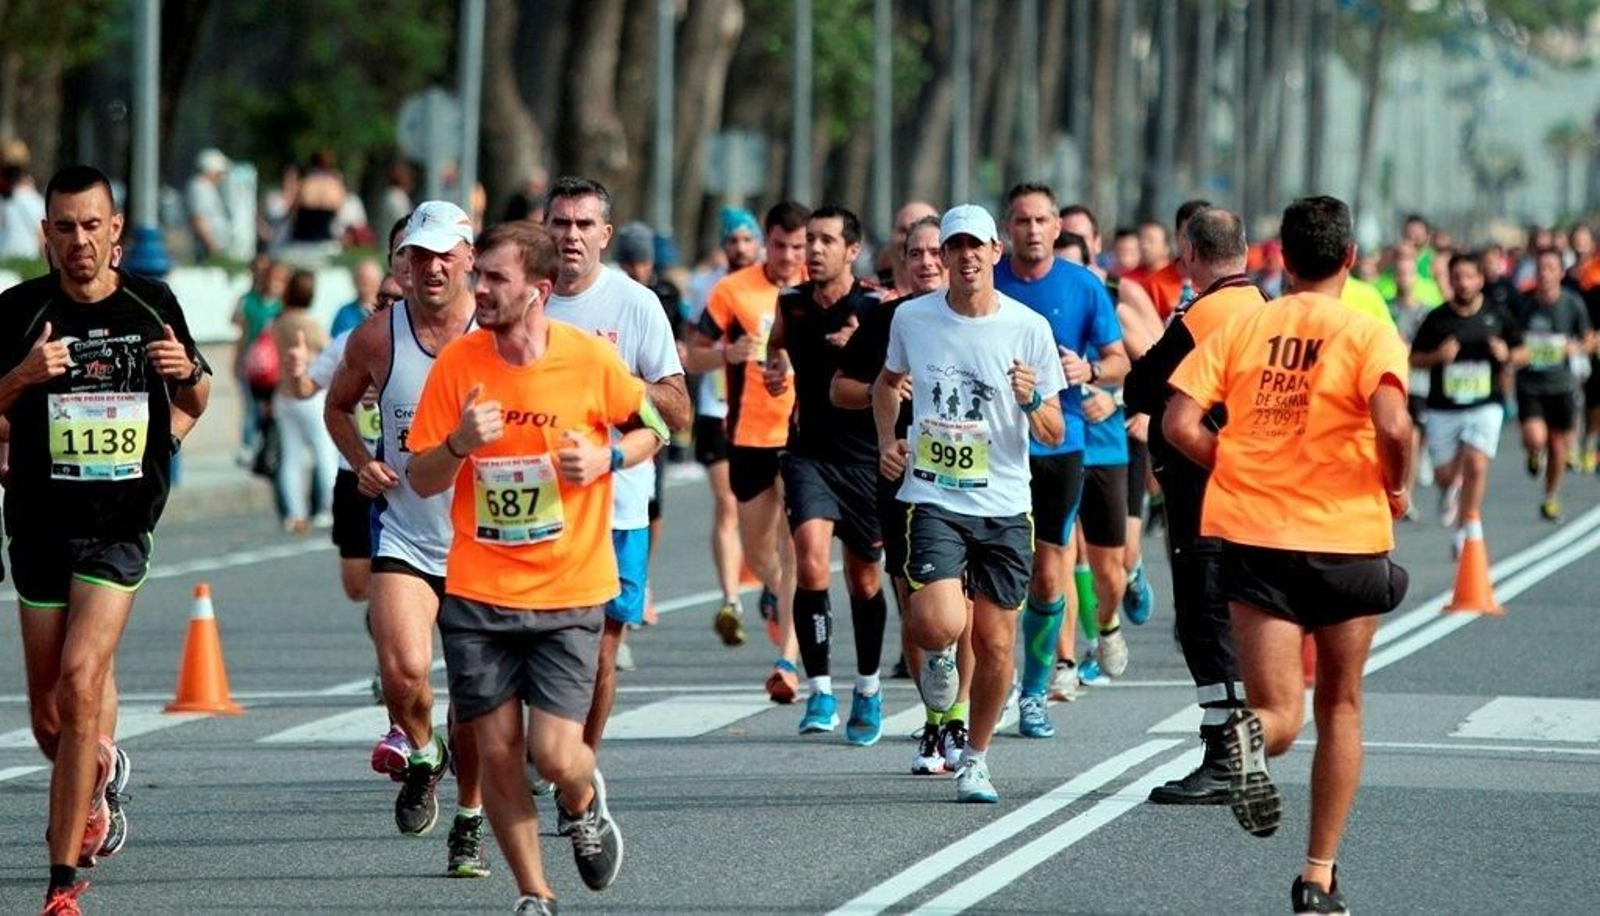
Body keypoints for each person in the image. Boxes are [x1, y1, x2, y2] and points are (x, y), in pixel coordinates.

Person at [1163, 195, 1413, 915]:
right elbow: (1393, 423)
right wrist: (1394, 484)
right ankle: (1316, 877)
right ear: (1349, 260)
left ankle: (1250, 736)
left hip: (1256, 536)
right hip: (1346, 540)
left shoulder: (1247, 325)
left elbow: (1181, 422)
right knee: (1341, 705)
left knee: (1279, 712)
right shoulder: (1368, 332)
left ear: (1281, 257)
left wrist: (1236, 466)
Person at [408, 219, 661, 913]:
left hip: (569, 587)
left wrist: (610, 457)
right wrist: (458, 442)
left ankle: (582, 800)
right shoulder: (458, 365)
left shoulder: (589, 360)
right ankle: (534, 895)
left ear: (538, 291)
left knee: (553, 753)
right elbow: (422, 478)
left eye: (495, 278)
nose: (478, 288)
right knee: (494, 756)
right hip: (478, 591)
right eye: (478, 274)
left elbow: (661, 425)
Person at [0, 165, 211, 914]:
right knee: (50, 723)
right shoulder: (19, 311)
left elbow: (197, 389)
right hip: (37, 528)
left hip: (119, 527)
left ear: (115, 230)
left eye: (93, 226)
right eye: (65, 227)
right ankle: (99, 771)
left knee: (82, 680)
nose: (79, 241)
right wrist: (22, 376)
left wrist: (179, 396)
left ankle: (61, 884)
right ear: (47, 234)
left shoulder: (152, 303)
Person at [874, 204, 1067, 803]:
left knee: (997, 643)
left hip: (1006, 502)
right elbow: (886, 385)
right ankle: (937, 659)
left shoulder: (1029, 327)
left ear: (995, 251)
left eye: (975, 246)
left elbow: (1056, 432)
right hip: (932, 493)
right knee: (937, 621)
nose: (965, 257)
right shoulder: (912, 318)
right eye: (953, 247)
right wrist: (888, 441)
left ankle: (976, 759)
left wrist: (1032, 401)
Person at [323, 200, 487, 878]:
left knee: (477, 702)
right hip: (407, 535)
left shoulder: (499, 333)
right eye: (420, 256)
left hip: (487, 547)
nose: (432, 267)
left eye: (445, 254)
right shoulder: (377, 338)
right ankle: (423, 754)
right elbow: (336, 405)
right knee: (404, 673)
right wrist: (364, 462)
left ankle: (471, 820)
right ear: (403, 264)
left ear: (470, 258)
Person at [542, 179, 690, 752]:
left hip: (618, 506)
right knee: (542, 643)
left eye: (583, 225)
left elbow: (675, 407)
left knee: (602, 650)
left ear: (605, 234)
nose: (571, 235)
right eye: (560, 223)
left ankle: (578, 766)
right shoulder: (526, 299)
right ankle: (544, 743)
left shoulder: (635, 303)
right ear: (545, 228)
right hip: (540, 504)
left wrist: (613, 385)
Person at [1125, 206, 1266, 805]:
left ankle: (1227, 761)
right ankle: (1242, 757)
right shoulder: (1263, 306)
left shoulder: (1204, 313)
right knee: (1228, 621)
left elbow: (1142, 387)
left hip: (1206, 491)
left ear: (1190, 255)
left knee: (1206, 621)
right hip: (1250, 489)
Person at [835, 213, 973, 772]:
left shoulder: (983, 317)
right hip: (903, 482)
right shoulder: (890, 318)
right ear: (901, 261)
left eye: (933, 253)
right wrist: (882, 393)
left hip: (969, 483)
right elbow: (839, 390)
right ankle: (933, 717)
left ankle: (954, 721)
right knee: (917, 609)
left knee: (962, 605)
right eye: (914, 254)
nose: (925, 263)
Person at [993, 182, 1127, 740]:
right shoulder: (986, 284)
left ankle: (1036, 692)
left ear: (1056, 228)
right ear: (1007, 230)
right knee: (994, 577)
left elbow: (1120, 359)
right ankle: (996, 688)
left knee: (1049, 576)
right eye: (1021, 220)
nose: (1031, 229)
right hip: (996, 443)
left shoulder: (1083, 287)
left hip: (1060, 442)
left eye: (1041, 220)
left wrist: (1090, 372)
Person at [762, 205, 888, 742]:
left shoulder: (875, 306)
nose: (813, 250)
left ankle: (868, 685)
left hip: (864, 459)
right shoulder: (790, 304)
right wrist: (776, 370)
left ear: (852, 251)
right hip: (807, 453)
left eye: (826, 241)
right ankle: (820, 691)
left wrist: (862, 350)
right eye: (809, 240)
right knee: (811, 563)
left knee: (863, 580)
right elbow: (776, 346)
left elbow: (897, 375)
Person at [689, 202, 810, 701]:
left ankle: (789, 661)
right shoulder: (732, 291)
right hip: (748, 437)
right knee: (762, 555)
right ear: (766, 241)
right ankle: (774, 594)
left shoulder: (816, 290)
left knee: (799, 544)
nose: (788, 256)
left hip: (805, 438)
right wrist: (724, 354)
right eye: (779, 245)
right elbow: (691, 355)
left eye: (798, 247)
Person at [681, 209, 762, 635]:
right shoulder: (705, 286)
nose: (740, 248)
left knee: (767, 511)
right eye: (733, 240)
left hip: (766, 414)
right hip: (717, 409)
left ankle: (769, 579)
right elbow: (694, 350)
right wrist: (722, 357)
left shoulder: (773, 285)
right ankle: (731, 598)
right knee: (728, 504)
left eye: (748, 240)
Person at [1409, 254, 1522, 554]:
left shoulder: (1497, 315)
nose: (1463, 283)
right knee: (1443, 475)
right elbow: (1413, 359)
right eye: (1457, 277)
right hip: (1444, 407)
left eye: (1469, 277)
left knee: (1476, 463)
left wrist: (1506, 355)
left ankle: (1467, 525)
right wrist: (1437, 358)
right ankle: (1451, 488)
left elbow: (1523, 351)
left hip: (1486, 403)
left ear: (1480, 279)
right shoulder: (1437, 318)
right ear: (1450, 280)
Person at [1511, 248, 1592, 521]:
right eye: (1540, 268)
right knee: (1536, 438)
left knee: (1558, 445)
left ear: (1560, 272)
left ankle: (1551, 497)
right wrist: (1517, 353)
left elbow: (1590, 338)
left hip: (1561, 384)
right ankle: (1535, 452)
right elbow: (1512, 342)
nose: (1544, 274)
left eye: (1550, 268)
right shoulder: (1524, 304)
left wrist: (1577, 347)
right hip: (1530, 384)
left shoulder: (1572, 303)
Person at [271, 270, 338, 533]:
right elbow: (331, 350)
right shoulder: (309, 323)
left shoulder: (278, 322)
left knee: (291, 457)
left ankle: (295, 514)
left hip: (283, 394)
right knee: (325, 452)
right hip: (308, 394)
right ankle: (328, 509)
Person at [230, 256, 286, 467]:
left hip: (276, 367)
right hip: (252, 365)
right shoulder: (250, 302)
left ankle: (270, 447)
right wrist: (237, 362)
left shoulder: (282, 306)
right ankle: (248, 445)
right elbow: (241, 332)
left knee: (273, 410)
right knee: (251, 407)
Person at [1144, 200, 1213, 320]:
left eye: (1202, 236)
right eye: (1187, 236)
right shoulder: (1154, 285)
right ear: (1176, 236)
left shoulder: (1224, 284)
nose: (1194, 244)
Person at [185, 148, 234, 260]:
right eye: (220, 172)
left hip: (213, 247)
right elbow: (198, 219)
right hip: (206, 249)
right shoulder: (199, 188)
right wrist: (212, 247)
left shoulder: (207, 188)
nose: (222, 176)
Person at [332, 259, 384, 338]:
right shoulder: (344, 313)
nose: (363, 285)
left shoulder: (388, 311)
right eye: (359, 279)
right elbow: (335, 344)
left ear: (379, 281)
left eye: (367, 280)